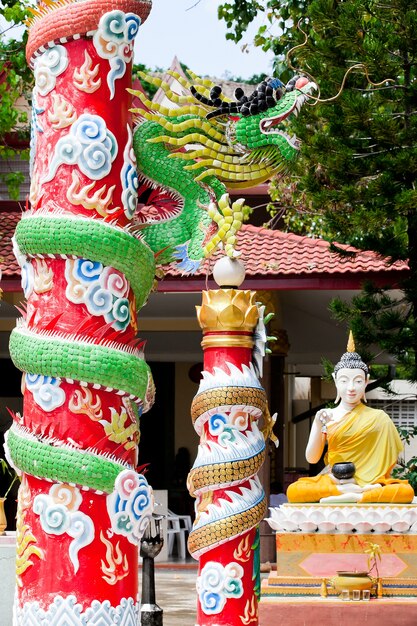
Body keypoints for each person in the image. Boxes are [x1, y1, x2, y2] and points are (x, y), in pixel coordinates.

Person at [287, 334, 414, 504]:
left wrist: (371, 481)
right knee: (294, 491)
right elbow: (311, 459)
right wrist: (317, 424)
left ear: (367, 382)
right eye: (344, 381)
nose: (351, 388)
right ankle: (343, 491)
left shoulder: (379, 418)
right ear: (335, 380)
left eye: (358, 381)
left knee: (405, 491)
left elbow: (387, 463)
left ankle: (359, 495)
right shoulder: (327, 416)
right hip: (336, 479)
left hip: (371, 483)